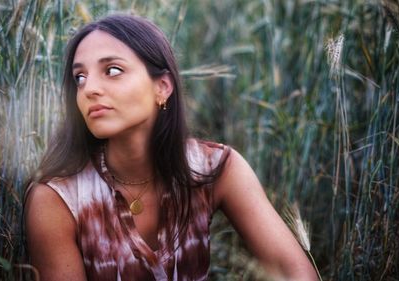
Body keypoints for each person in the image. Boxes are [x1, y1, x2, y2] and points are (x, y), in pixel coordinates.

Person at [24, 13, 318, 281]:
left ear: (162, 87)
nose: (89, 89)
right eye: (80, 77)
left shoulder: (215, 167)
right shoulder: (57, 198)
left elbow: (294, 272)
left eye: (112, 70)